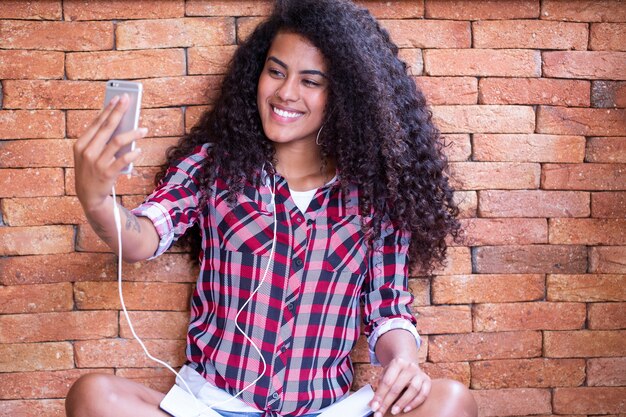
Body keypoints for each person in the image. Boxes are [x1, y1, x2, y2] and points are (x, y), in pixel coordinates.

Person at [66, 1, 477, 416]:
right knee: (95, 396)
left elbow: (387, 305)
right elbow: (143, 237)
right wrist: (96, 198)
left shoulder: (374, 197)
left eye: (311, 81)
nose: (285, 93)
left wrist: (402, 361)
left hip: (326, 410)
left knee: (450, 401)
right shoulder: (214, 167)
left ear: (347, 96)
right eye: (276, 71)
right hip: (210, 406)